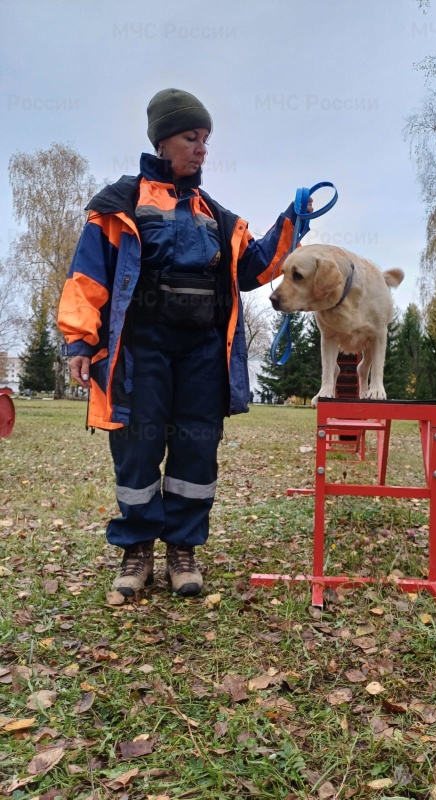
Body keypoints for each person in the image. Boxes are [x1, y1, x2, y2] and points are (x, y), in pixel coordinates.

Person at [58, 88, 306, 598]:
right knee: (137, 448)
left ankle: (182, 549)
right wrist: (80, 342)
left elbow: (256, 268)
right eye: (192, 137)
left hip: (202, 354)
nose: (202, 149)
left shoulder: (218, 216)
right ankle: (137, 552)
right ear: (163, 140)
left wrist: (293, 221)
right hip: (138, 349)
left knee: (197, 448)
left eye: (206, 140)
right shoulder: (117, 205)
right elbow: (87, 277)